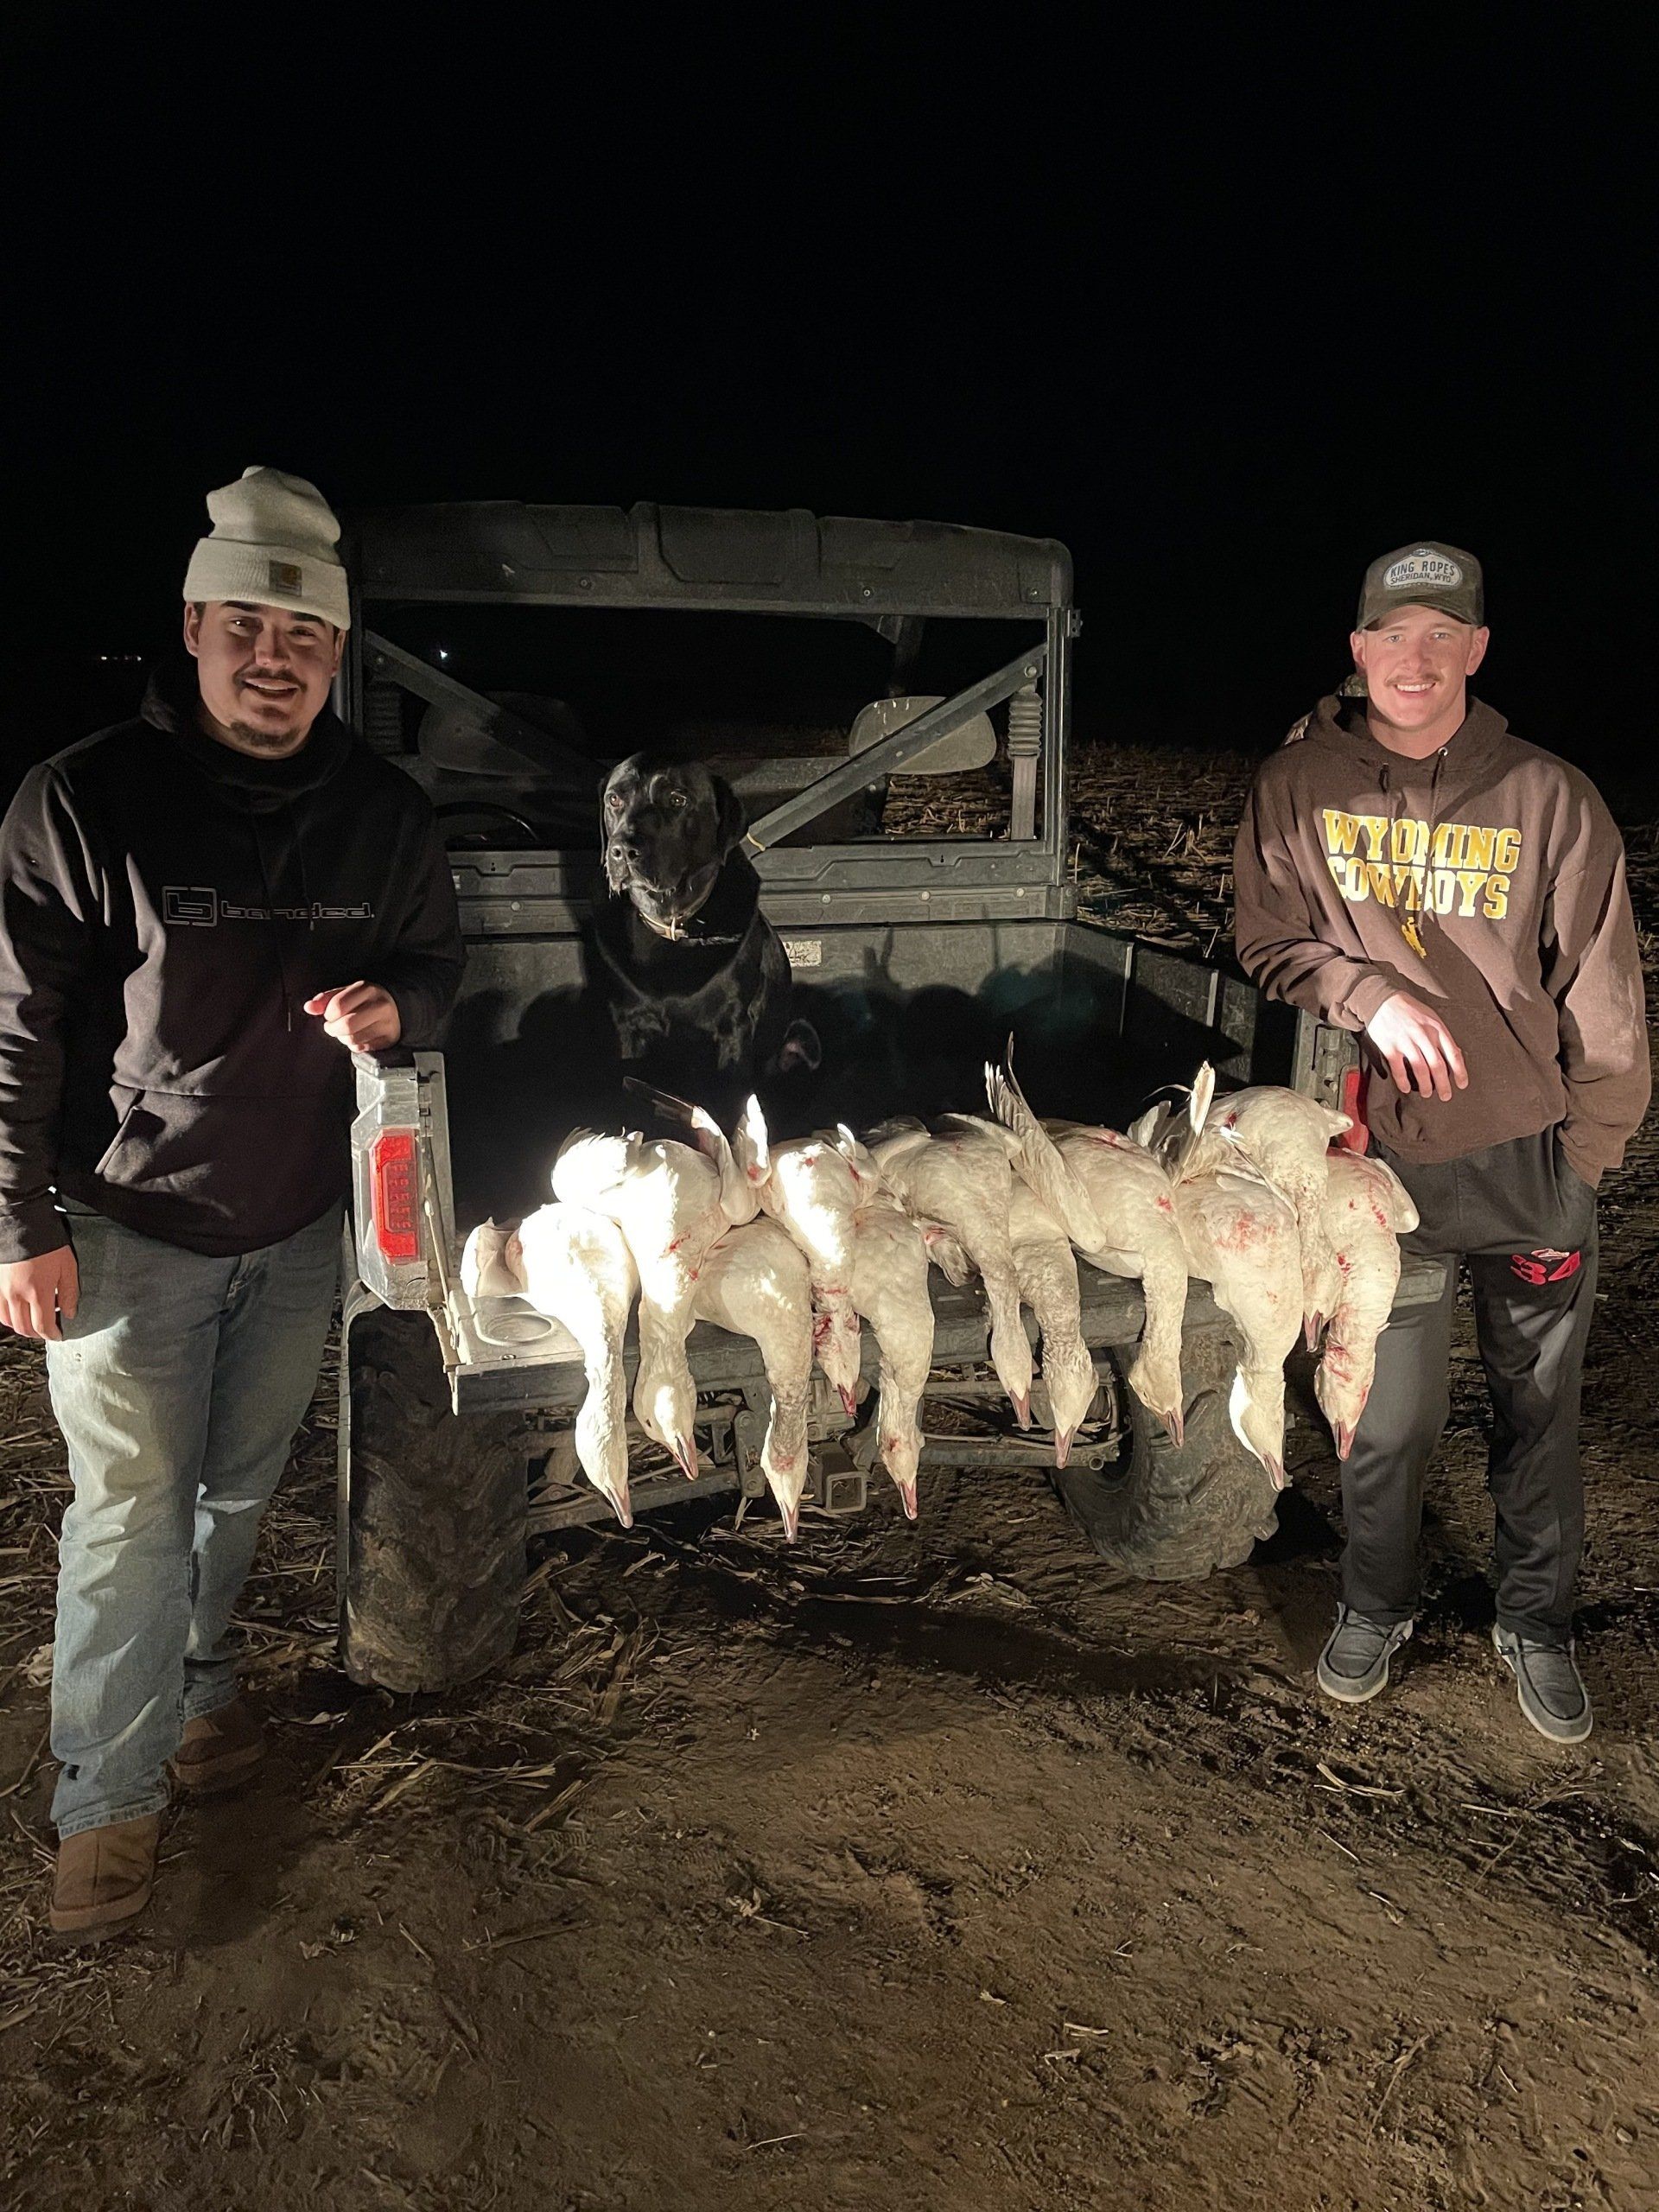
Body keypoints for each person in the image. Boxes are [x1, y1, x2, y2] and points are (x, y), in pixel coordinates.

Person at [0, 467, 464, 1937]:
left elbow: (436, 971)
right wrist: (17, 1221)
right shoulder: (84, 799)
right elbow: (20, 1025)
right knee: (132, 1513)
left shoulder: (385, 814)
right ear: (193, 624)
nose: (275, 661)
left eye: (305, 638)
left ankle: (198, 1703)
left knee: (239, 1489)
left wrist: (401, 1009)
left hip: (298, 1223)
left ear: (338, 653)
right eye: (247, 628)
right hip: (128, 1220)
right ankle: (106, 1803)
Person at [1233, 541, 1649, 1743]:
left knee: (1538, 1413)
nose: (1414, 661)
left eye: (1441, 636)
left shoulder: (1549, 797)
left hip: (1533, 1165)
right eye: (1391, 636)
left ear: (1476, 649)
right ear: (1357, 651)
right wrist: (1367, 995)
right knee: (1385, 1416)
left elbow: (1607, 998)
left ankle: (1538, 1622)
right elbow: (1267, 938)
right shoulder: (1298, 786)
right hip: (1381, 1172)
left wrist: (1590, 1160)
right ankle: (1376, 1600)